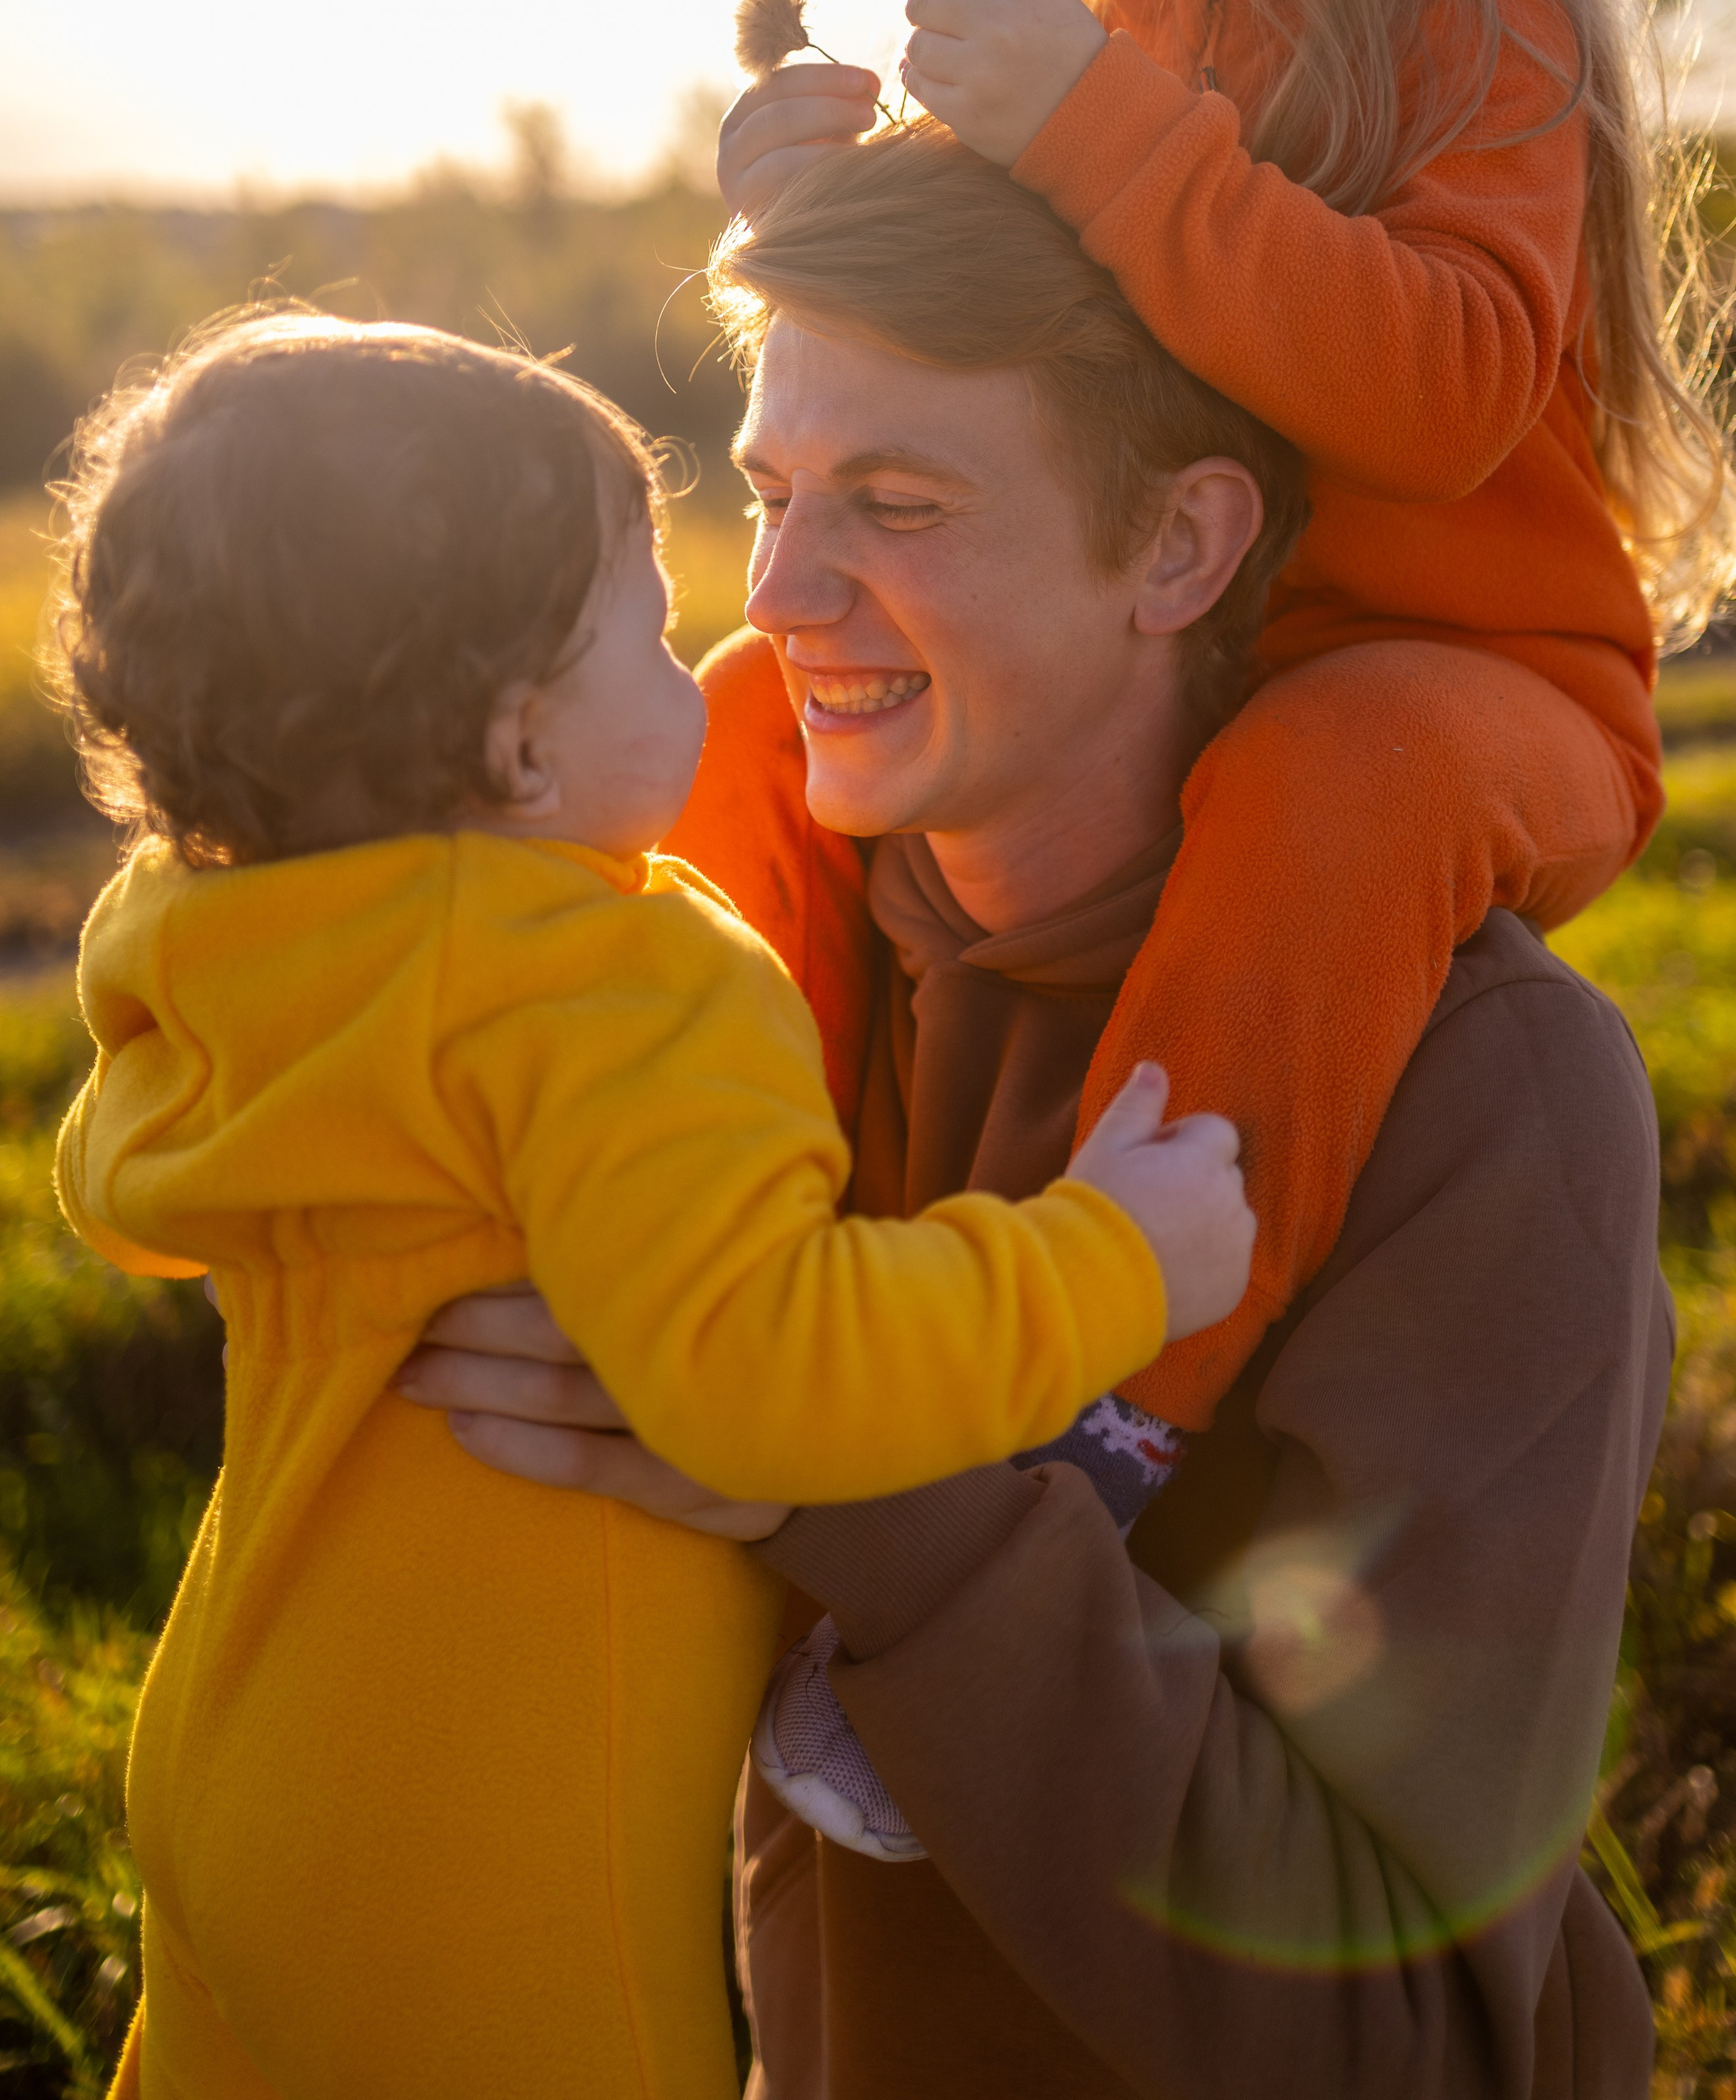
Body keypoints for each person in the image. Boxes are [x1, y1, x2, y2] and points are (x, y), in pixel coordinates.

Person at [399, 124, 1673, 2096]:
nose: (789, 594)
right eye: (770, 493)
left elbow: (1411, 2044)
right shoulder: (703, 1003)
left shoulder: (1480, 1095)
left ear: (1182, 547)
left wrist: (817, 1455)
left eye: (898, 504)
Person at [45, 308, 1255, 2100]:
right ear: (524, 749)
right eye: (653, 629)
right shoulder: (603, 990)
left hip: (232, 1750)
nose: (723, 655)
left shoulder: (215, 941)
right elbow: (754, 1370)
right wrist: (1113, 1259)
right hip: (484, 1849)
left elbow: (113, 1195)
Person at [717, 0, 1730, 1449]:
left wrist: (1103, 136)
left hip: (1466, 687)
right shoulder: (1086, 50)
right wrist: (813, 210)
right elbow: (987, 360)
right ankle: (723, 1216)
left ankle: (1109, 1415)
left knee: (1325, 777)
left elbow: (1443, 393)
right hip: (1173, 670)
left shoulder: (1465, 25)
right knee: (746, 700)